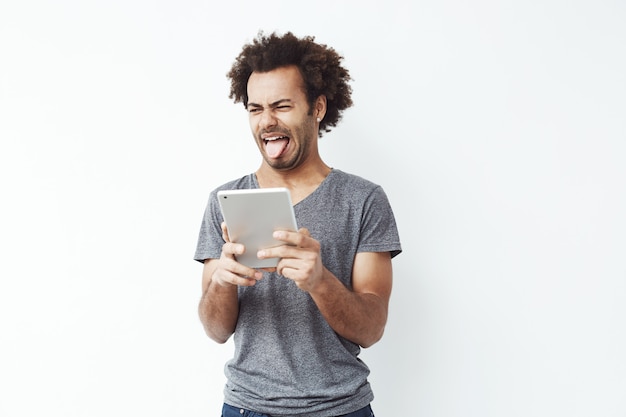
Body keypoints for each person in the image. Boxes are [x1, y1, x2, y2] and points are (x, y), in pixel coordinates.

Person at [194, 31, 402, 417]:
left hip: (341, 409)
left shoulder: (363, 200)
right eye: (255, 109)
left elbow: (372, 329)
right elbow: (215, 329)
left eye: (282, 106)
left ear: (318, 107)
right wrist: (221, 282)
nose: (267, 121)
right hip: (246, 408)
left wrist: (320, 282)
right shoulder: (224, 201)